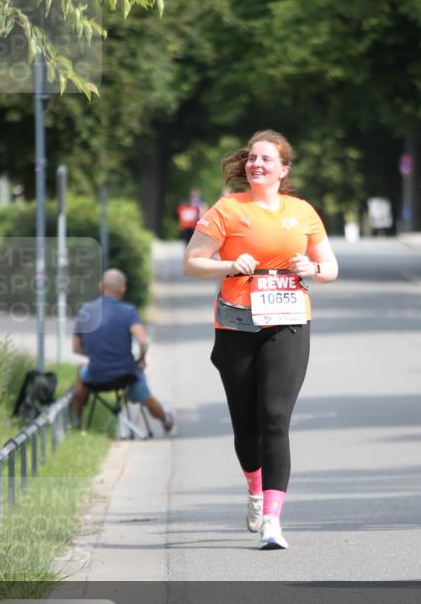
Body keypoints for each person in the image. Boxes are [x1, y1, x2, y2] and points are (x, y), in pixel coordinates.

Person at [182, 130, 338, 549]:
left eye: (266, 159)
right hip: (236, 324)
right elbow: (192, 263)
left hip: (288, 321)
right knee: (245, 425)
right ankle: (254, 488)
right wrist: (229, 265)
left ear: (283, 169)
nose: (256, 164)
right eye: (252, 158)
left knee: (273, 417)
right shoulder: (228, 209)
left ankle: (273, 519)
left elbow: (330, 268)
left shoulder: (302, 212)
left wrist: (311, 268)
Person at [72, 268, 174, 433]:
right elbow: (143, 341)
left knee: (80, 371)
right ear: (123, 289)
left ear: (100, 286)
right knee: (145, 394)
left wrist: (95, 352)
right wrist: (142, 359)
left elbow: (76, 347)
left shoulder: (85, 311)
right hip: (125, 377)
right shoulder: (128, 312)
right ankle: (165, 418)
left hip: (95, 377)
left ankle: (76, 419)